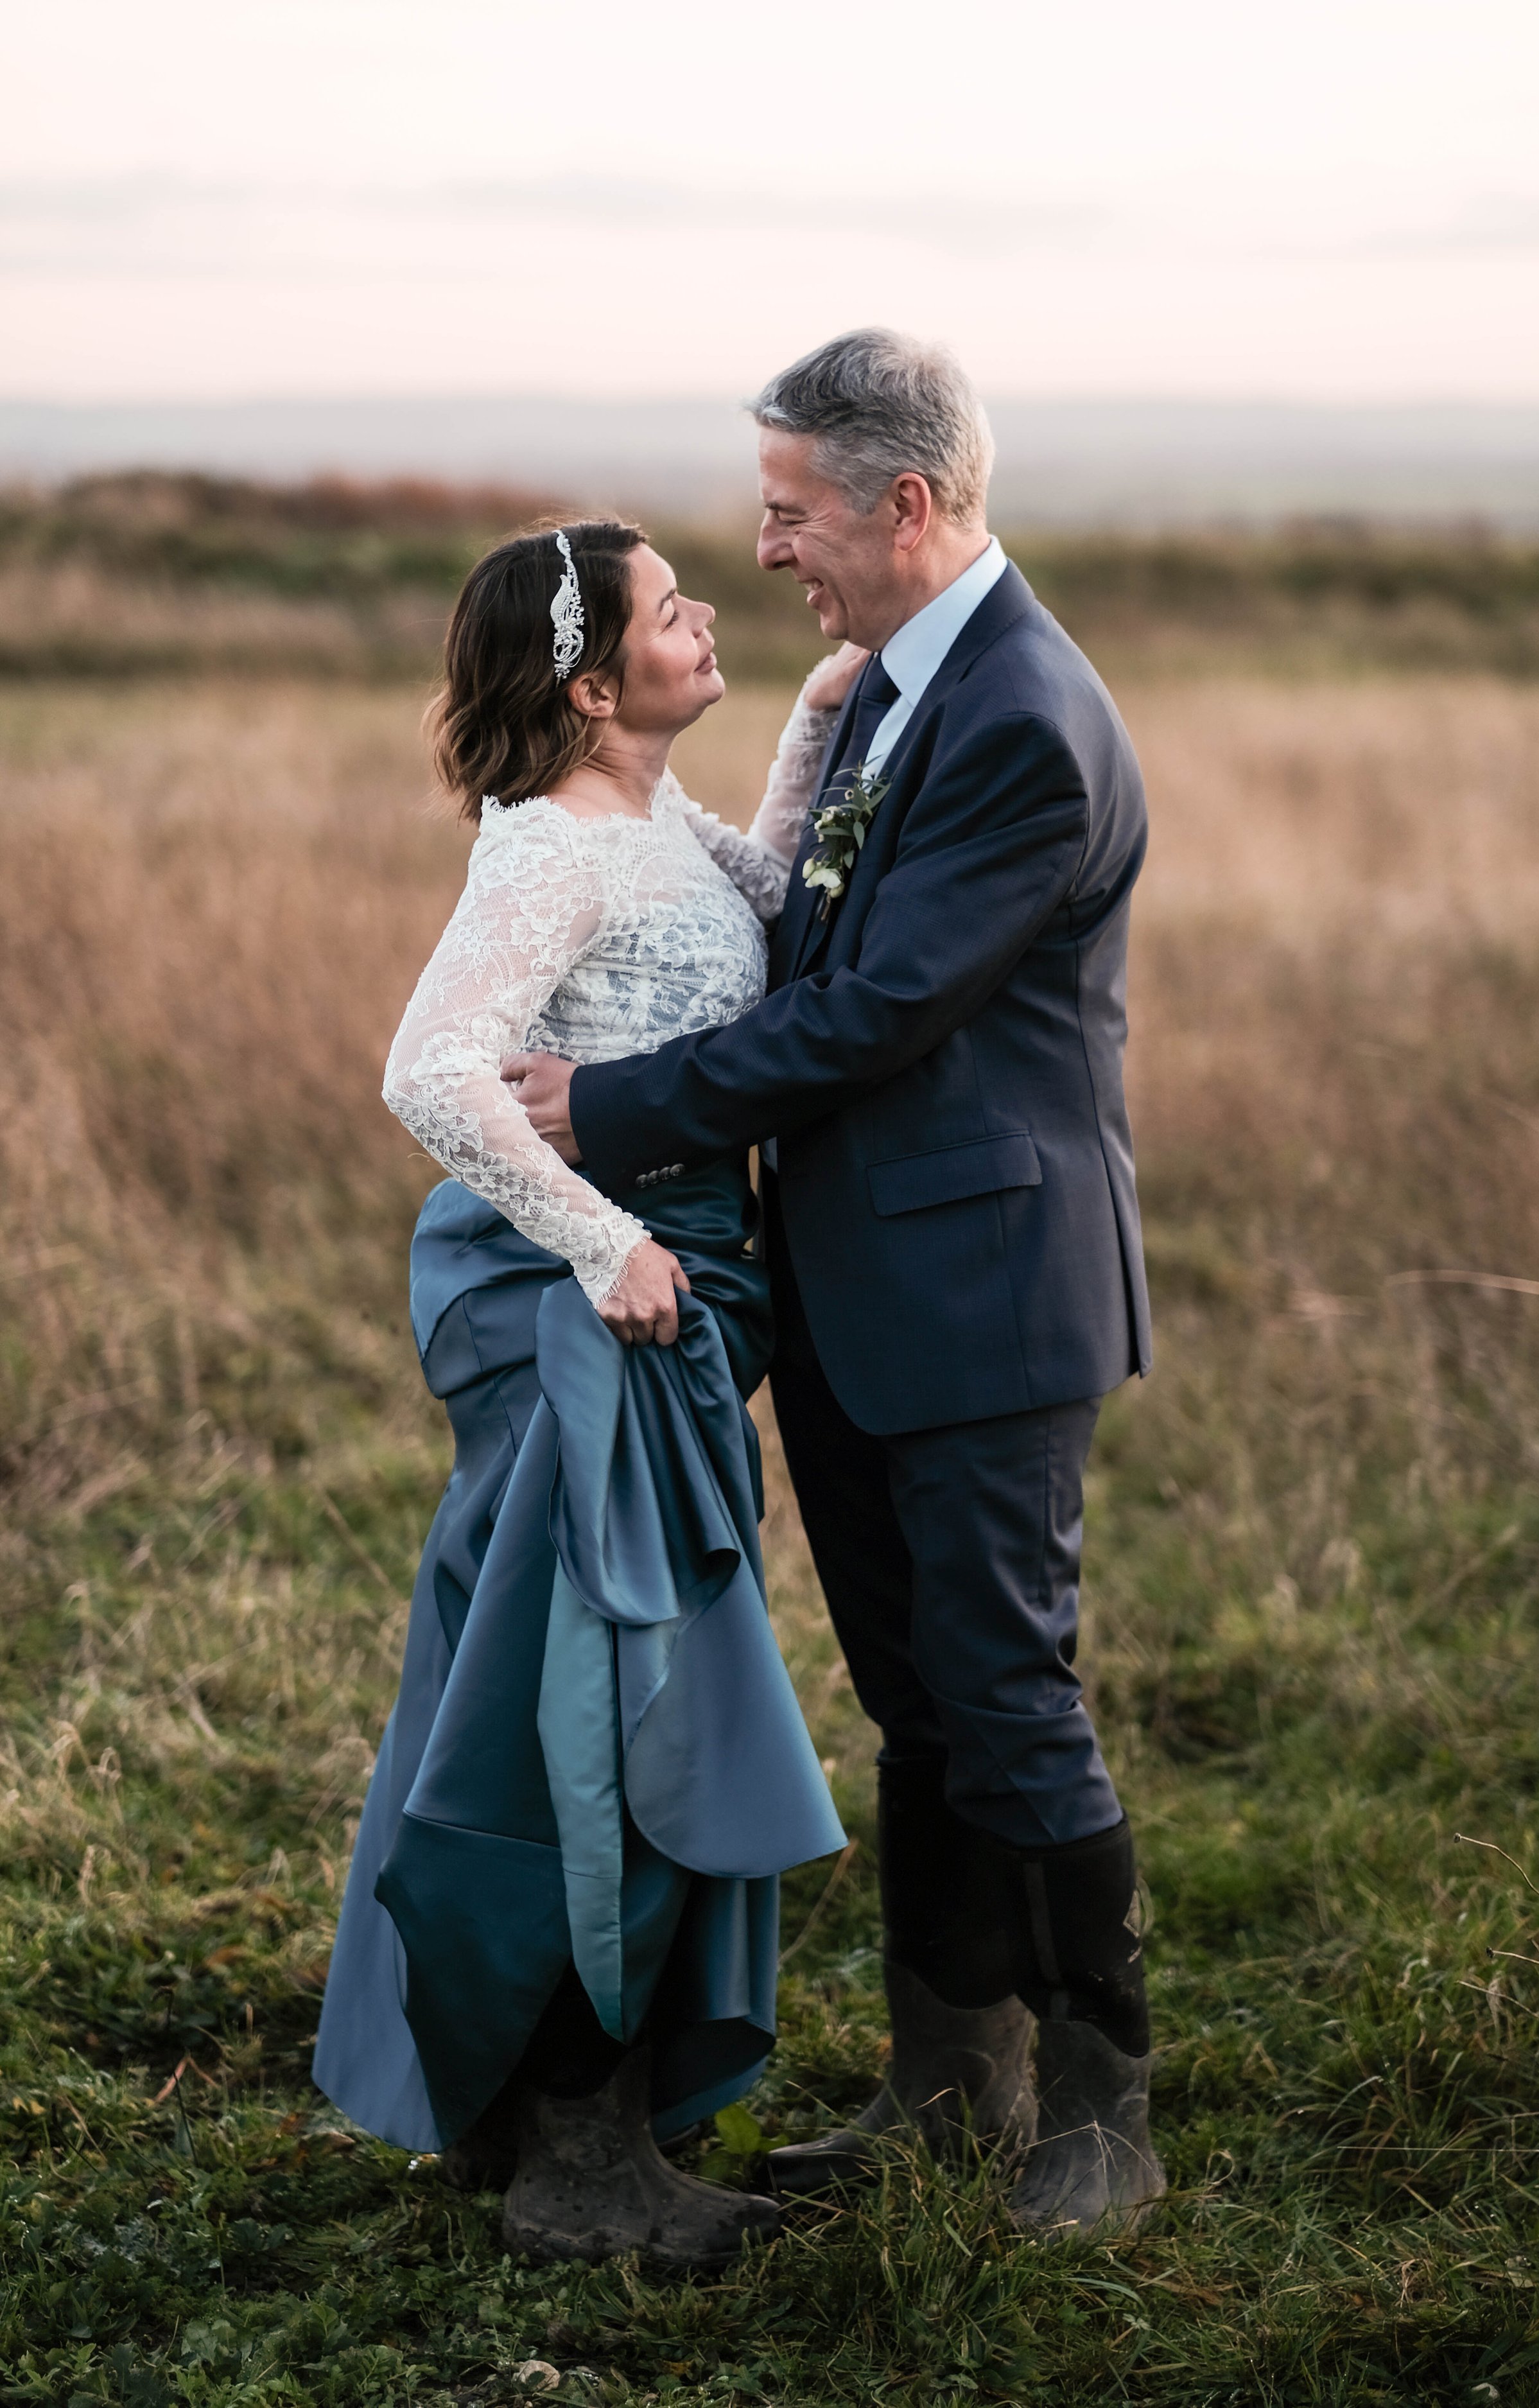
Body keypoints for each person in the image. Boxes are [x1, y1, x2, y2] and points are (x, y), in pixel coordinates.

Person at [501, 330, 1165, 2238]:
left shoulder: (1021, 716)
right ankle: (951, 2083)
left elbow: (874, 1011)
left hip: (985, 1292)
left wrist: (611, 1103)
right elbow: (801, 920)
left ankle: (1103, 2115)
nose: (770, 547)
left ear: (906, 501)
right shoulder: (888, 688)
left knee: (1007, 1695)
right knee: (919, 1703)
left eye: (791, 513)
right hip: (870, 1291)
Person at [312, 518, 853, 2269]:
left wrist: (815, 726)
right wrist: (601, 1238)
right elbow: (430, 1072)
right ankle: (573, 2157)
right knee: (589, 1705)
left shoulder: (656, 821)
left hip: (672, 1302)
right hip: (595, 1318)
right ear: (595, 688)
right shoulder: (547, 850)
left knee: (626, 1688)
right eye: (669, 609)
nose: (705, 616)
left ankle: (570, 2114)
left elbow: (765, 900)